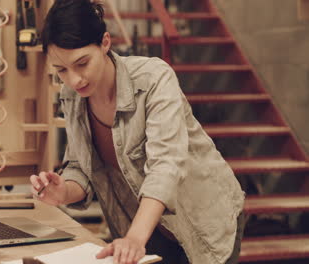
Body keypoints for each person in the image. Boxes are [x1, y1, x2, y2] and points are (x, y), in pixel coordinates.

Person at [29, 0, 245, 263]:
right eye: (61, 70)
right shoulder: (73, 97)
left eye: (82, 63)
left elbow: (165, 166)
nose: (74, 80)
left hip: (202, 221)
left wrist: (134, 238)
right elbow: (80, 167)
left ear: (105, 43)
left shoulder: (154, 78)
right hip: (145, 227)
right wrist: (63, 192)